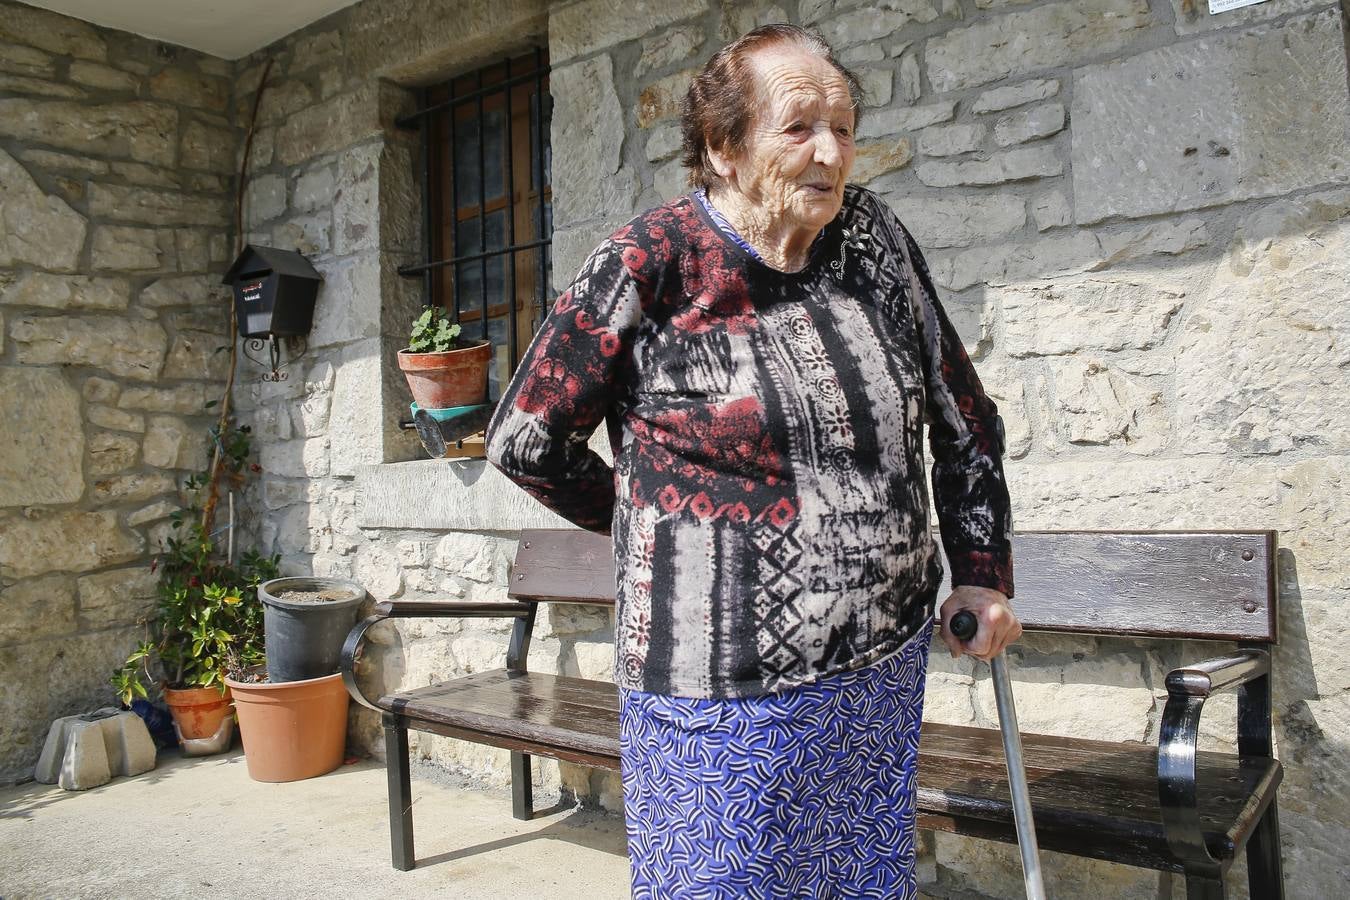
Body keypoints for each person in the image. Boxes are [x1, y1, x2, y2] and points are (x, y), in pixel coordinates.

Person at [486, 23, 1021, 899]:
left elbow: (963, 413)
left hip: (877, 664)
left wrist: (981, 573)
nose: (831, 152)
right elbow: (527, 439)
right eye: (800, 126)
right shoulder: (646, 261)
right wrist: (655, 522)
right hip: (716, 688)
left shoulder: (874, 241)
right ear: (723, 149)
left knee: (860, 883)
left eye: (844, 128)